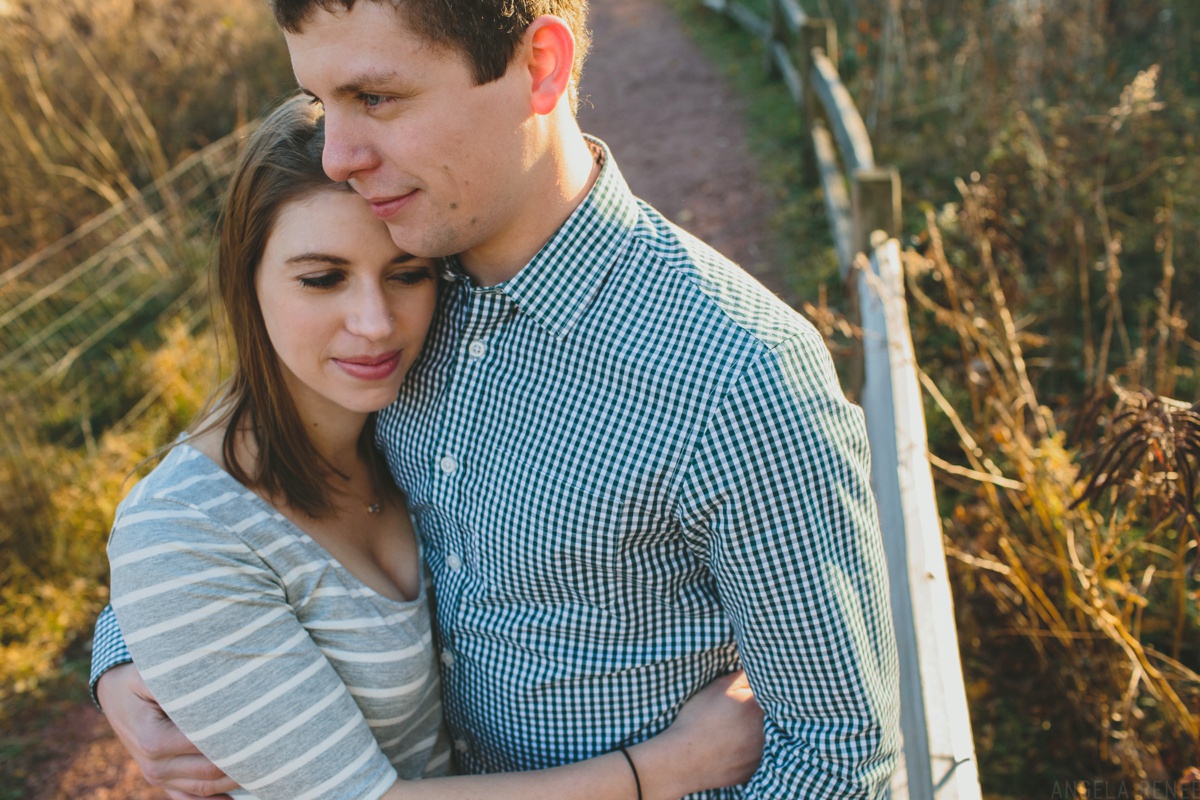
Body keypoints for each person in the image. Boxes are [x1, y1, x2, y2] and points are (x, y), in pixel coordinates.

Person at [92, 1, 902, 796]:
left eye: (375, 98)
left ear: (539, 69)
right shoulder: (402, 283)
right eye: (321, 100)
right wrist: (132, 644)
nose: (338, 156)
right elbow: (260, 484)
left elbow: (837, 757)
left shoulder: (735, 375)